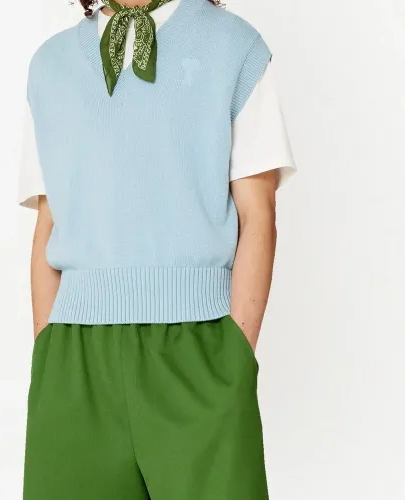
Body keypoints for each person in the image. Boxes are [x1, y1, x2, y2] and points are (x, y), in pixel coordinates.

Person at [18, 0, 296, 498]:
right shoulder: (49, 65)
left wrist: (235, 357)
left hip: (200, 347)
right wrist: (47, 350)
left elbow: (258, 213)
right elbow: (49, 221)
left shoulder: (234, 46)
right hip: (73, 361)